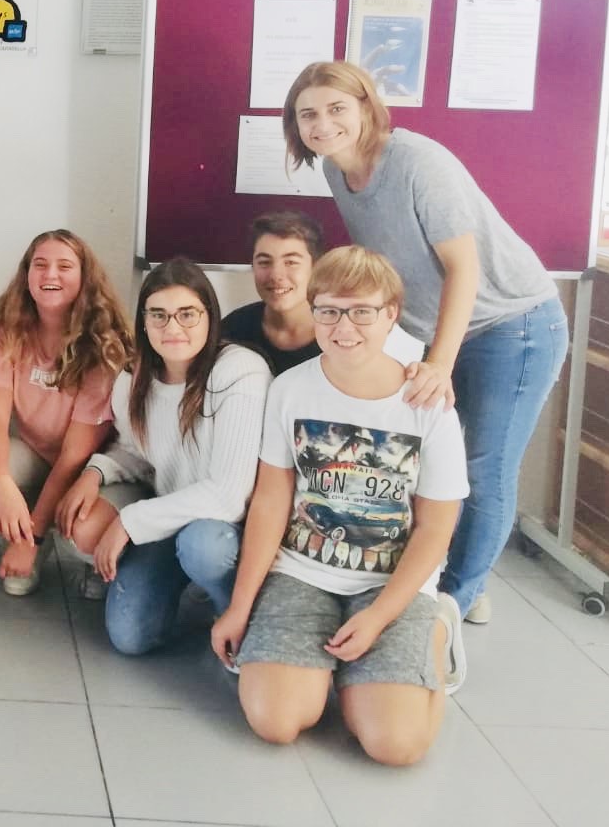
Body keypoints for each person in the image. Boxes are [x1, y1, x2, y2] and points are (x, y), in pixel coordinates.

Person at [283, 61, 566, 627]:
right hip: (429, 329)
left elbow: (464, 269)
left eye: (337, 109)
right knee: (419, 460)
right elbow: (388, 269)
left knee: (484, 467)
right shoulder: (337, 170)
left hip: (513, 325)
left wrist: (439, 363)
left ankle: (453, 604)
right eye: (308, 114)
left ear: (367, 107)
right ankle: (434, 579)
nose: (323, 124)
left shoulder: (417, 162)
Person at [211, 246, 469, 765]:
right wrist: (240, 606)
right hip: (302, 573)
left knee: (394, 745)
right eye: (328, 310)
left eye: (361, 312)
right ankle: (336, 674)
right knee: (275, 722)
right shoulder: (290, 389)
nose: (343, 327)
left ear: (390, 315)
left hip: (391, 583)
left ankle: (435, 628)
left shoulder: (428, 403)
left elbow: (436, 529)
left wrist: (379, 617)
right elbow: (271, 502)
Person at [58, 260, 270, 647]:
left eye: (187, 314)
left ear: (210, 316)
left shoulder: (240, 371)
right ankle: (182, 588)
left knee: (203, 546)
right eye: (158, 315)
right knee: (129, 637)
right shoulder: (133, 378)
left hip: (228, 531)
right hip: (170, 520)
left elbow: (229, 495)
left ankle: (235, 614)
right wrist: (95, 472)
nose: (172, 328)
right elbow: (136, 450)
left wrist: (129, 522)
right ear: (143, 322)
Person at [0, 229, 132, 595]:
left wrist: (33, 539)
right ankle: (21, 528)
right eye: (40, 265)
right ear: (26, 274)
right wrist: (2, 484)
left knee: (81, 534)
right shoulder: (6, 331)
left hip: (92, 470)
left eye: (65, 266)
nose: (50, 275)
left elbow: (74, 456)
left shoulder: (100, 343)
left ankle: (62, 547)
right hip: (36, 455)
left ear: (85, 277)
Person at [221, 211, 326, 376]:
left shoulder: (340, 334)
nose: (276, 275)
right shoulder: (232, 330)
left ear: (316, 267)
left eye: (291, 262)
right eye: (264, 262)